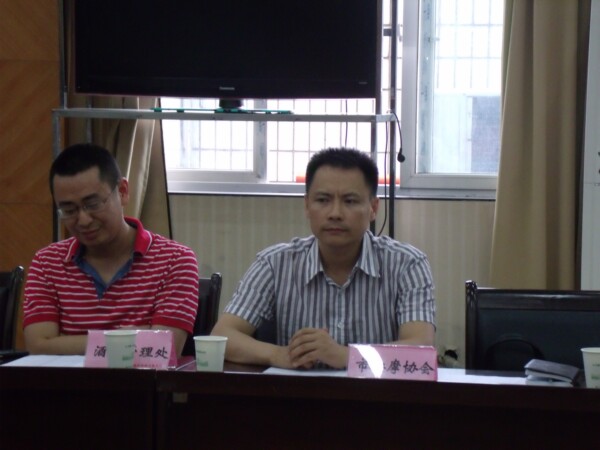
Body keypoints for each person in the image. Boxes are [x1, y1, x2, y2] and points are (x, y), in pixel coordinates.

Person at [212, 147, 436, 369]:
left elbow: (420, 350)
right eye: (323, 200)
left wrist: (347, 356)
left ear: (373, 208)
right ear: (307, 205)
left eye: (350, 201)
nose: (335, 213)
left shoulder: (407, 264)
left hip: (376, 393)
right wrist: (279, 354)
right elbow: (222, 336)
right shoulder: (274, 264)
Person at [23, 143, 199, 357]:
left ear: (123, 191)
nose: (83, 220)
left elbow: (165, 347)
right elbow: (38, 347)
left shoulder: (175, 260)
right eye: (69, 210)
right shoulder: (47, 262)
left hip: (139, 381)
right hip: (65, 380)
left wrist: (64, 343)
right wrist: (133, 336)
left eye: (93, 204)